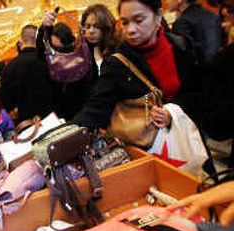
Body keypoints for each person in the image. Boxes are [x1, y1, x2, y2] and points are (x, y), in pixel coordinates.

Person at [72, 0, 203, 134]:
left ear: (158, 16)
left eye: (139, 20)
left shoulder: (182, 47)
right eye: (125, 22)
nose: (130, 30)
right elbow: (96, 108)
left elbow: (199, 94)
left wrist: (172, 112)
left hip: (186, 136)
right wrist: (66, 133)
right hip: (146, 145)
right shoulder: (117, 62)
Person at [37, 5, 120, 120]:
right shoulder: (78, 54)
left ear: (106, 27)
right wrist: (45, 28)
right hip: (83, 120)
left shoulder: (118, 53)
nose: (91, 31)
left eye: (96, 26)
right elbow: (45, 55)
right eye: (87, 26)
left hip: (115, 120)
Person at [0, 24, 55, 123]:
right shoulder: (48, 61)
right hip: (53, 120)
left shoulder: (9, 68)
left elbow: (6, 103)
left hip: (27, 126)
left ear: (20, 43)